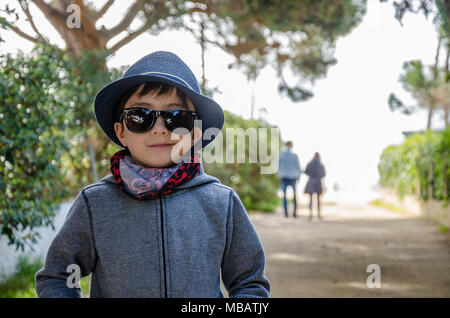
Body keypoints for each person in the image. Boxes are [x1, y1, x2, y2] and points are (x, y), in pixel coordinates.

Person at [35, 51, 270, 298]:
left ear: (195, 133)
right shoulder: (95, 203)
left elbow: (249, 284)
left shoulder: (221, 203)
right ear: (121, 132)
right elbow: (57, 276)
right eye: (140, 116)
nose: (159, 129)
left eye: (177, 117)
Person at [278, 141, 301, 217]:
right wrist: (299, 177)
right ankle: (294, 213)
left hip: (284, 176)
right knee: (294, 195)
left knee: (284, 196)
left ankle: (286, 213)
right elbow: (298, 167)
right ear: (291, 145)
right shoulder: (294, 155)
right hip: (292, 177)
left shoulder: (281, 154)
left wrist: (279, 175)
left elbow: (278, 166)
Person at [304, 152, 326, 221]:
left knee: (310, 198)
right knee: (319, 199)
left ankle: (310, 213)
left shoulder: (310, 164)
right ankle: (319, 213)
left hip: (311, 181)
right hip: (318, 182)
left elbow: (306, 171)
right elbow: (324, 174)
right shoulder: (321, 164)